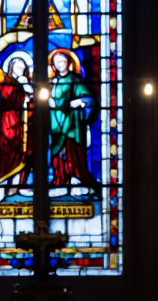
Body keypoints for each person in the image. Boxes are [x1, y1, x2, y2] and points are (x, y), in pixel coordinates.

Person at [46, 48, 100, 195]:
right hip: (56, 123)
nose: (60, 65)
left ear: (68, 63)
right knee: (58, 153)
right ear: (54, 66)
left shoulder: (76, 80)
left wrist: (80, 102)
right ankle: (61, 179)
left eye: (62, 61)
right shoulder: (53, 82)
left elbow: (87, 98)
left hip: (72, 123)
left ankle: (76, 179)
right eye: (57, 63)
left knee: (73, 151)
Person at [0, 53, 34, 204]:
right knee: (6, 155)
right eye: (17, 66)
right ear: (10, 67)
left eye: (23, 67)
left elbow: (32, 99)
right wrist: (22, 88)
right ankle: (1, 190)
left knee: (22, 155)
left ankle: (16, 187)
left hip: (23, 124)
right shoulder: (6, 81)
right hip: (9, 122)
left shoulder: (25, 81)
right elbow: (8, 96)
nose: (21, 69)